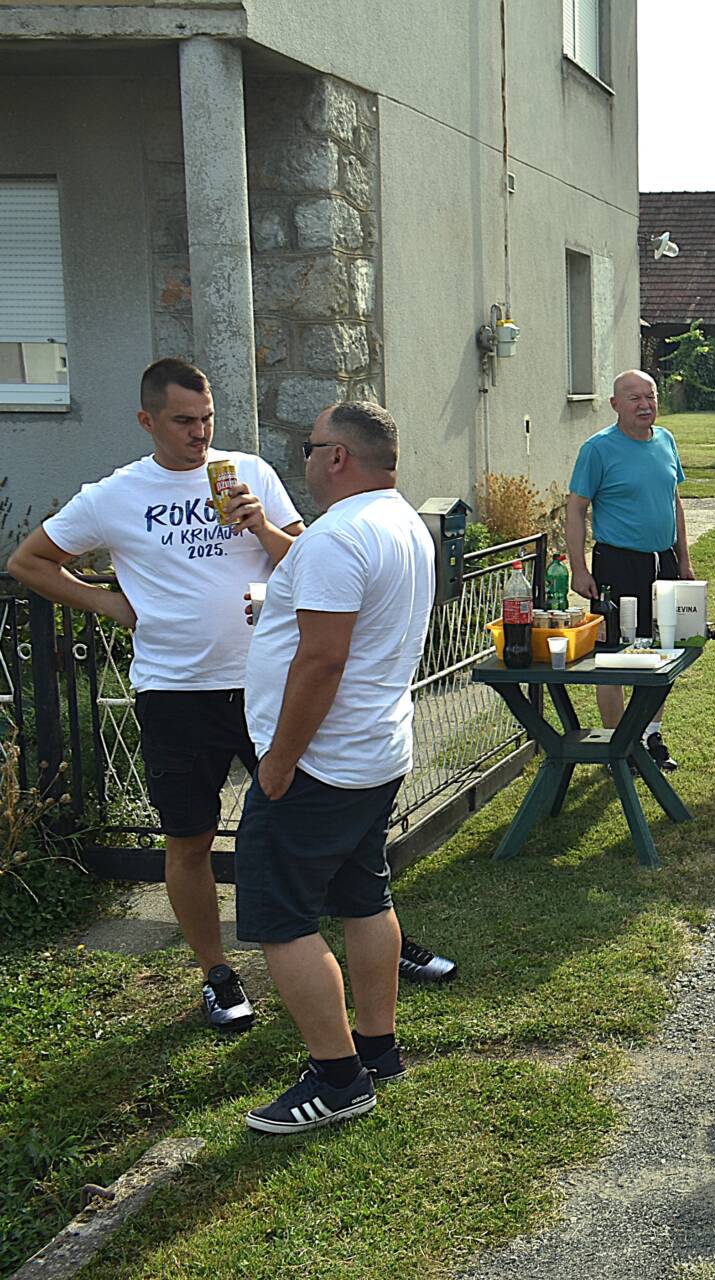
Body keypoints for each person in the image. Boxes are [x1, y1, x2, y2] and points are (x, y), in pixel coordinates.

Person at [5, 360, 455, 1035]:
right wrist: (113, 606)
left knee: (321, 822)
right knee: (189, 837)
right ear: (147, 421)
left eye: (207, 418)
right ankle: (217, 972)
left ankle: (377, 938)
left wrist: (261, 528)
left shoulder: (249, 473)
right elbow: (28, 562)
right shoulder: (113, 495)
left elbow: (313, 562)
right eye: (184, 421)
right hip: (177, 690)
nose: (200, 433)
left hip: (268, 689)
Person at [234, 400, 436, 1133]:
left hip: (320, 763)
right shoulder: (402, 521)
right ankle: (377, 1048)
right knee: (363, 897)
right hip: (375, 751)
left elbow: (322, 660)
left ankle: (339, 1077)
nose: (307, 459)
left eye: (311, 447)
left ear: (339, 456)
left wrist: (278, 763)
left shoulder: (336, 536)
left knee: (279, 918)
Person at [566, 369, 692, 768]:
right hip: (617, 564)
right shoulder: (598, 449)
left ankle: (651, 736)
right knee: (614, 657)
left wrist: (684, 560)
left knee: (663, 650)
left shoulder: (666, 440)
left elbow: (673, 501)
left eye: (650, 396)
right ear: (615, 404)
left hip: (663, 561)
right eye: (634, 398)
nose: (644, 405)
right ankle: (619, 746)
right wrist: (579, 569)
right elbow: (576, 509)